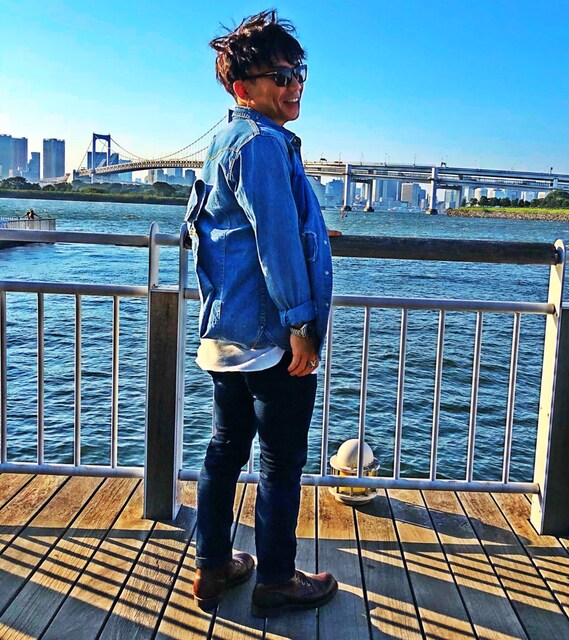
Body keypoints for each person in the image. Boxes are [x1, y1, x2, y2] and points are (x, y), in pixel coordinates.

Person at [185, 10, 339, 617]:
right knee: (279, 462)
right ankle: (276, 579)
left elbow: (224, 235)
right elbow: (276, 241)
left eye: (299, 72)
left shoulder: (224, 142)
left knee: (224, 452)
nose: (294, 84)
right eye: (280, 75)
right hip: (271, 338)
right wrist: (302, 325)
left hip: (226, 334)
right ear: (241, 86)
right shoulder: (263, 145)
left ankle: (213, 567)